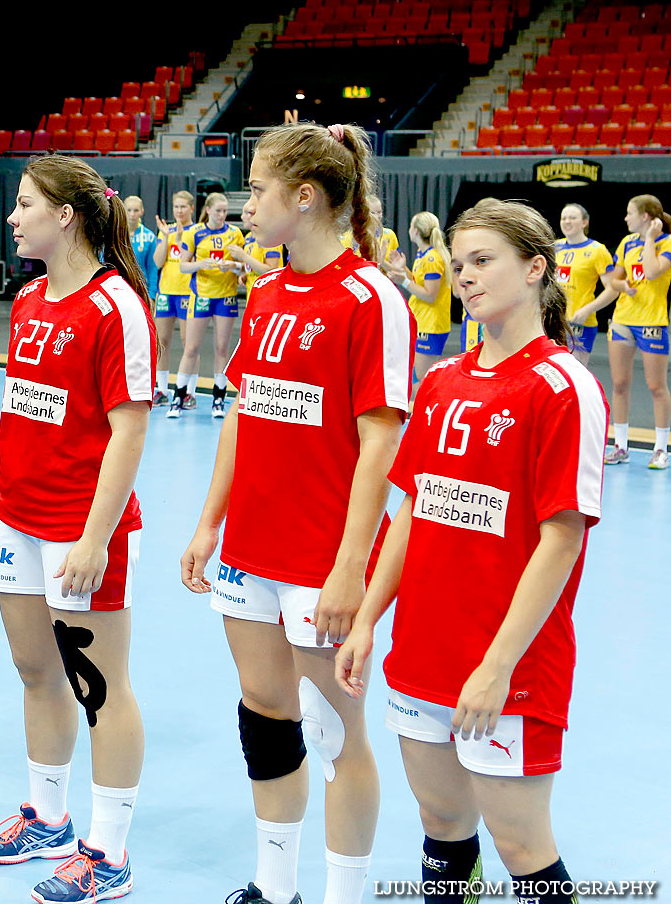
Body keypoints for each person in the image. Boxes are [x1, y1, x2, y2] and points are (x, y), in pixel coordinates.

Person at [337, 198, 606, 904]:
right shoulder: (443, 382)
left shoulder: (561, 386)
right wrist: (367, 618)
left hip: (507, 665)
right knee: (441, 823)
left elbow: (562, 536)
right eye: (458, 265)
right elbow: (414, 509)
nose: (465, 277)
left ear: (535, 268)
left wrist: (495, 666)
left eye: (483, 261)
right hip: (422, 651)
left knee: (521, 846)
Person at [180, 123, 413, 904]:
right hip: (250, 549)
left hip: (323, 562)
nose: (245, 204)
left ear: (305, 197)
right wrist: (211, 520)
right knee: (267, 718)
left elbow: (382, 440)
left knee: (337, 734)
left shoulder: (368, 297)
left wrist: (353, 570)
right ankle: (274, 885)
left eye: (255, 189)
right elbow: (246, 409)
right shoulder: (271, 292)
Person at [0, 155, 154, 903]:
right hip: (19, 520)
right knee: (35, 671)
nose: (12, 218)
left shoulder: (115, 308)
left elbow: (129, 432)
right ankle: (48, 816)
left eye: (23, 204)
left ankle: (107, 851)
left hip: (82, 532)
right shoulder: (27, 300)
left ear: (66, 215)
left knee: (98, 687)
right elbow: (16, 410)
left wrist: (95, 537)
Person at [602, 195, 671, 468]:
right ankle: (620, 446)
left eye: (630, 213)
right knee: (619, 384)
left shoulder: (666, 242)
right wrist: (624, 286)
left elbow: (653, 272)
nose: (625, 218)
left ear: (645, 217)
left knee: (656, 387)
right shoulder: (625, 242)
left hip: (653, 322)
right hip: (622, 320)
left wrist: (651, 239)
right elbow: (614, 280)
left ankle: (661, 449)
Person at [174, 192, 243, 419]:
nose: (223, 215)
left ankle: (219, 399)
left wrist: (231, 265)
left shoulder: (234, 233)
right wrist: (200, 263)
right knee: (191, 348)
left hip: (226, 296)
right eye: (218, 211)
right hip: (201, 295)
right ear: (208, 210)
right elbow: (183, 267)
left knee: (222, 348)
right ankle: (178, 397)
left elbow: (243, 268)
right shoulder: (194, 232)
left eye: (225, 211)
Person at [386, 211, 450, 381]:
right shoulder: (423, 255)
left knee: (422, 377)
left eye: (410, 226)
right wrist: (400, 269)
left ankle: (428, 407)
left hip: (431, 324)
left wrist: (403, 281)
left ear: (415, 231)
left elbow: (430, 295)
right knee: (415, 375)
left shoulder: (432, 259)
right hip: (422, 320)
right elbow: (416, 283)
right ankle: (416, 407)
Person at [555, 203, 616, 366]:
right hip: (554, 321)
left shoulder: (597, 250)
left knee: (575, 375)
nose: (567, 221)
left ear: (584, 222)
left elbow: (613, 289)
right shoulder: (555, 247)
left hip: (579, 323)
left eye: (572, 218)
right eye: (564, 218)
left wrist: (588, 309)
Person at [152, 191, 196, 413]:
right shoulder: (166, 231)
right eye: (176, 207)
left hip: (189, 292)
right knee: (162, 341)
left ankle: (189, 392)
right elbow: (158, 262)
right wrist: (166, 237)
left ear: (191, 208)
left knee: (189, 342)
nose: (179, 211)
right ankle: (161, 390)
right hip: (166, 291)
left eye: (183, 207)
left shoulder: (197, 232)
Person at [124, 194, 158, 336]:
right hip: (119, 288)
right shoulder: (114, 233)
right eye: (129, 210)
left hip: (140, 290)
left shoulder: (149, 237)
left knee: (141, 331)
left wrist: (151, 295)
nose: (132, 214)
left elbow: (153, 268)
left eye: (136, 210)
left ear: (142, 211)